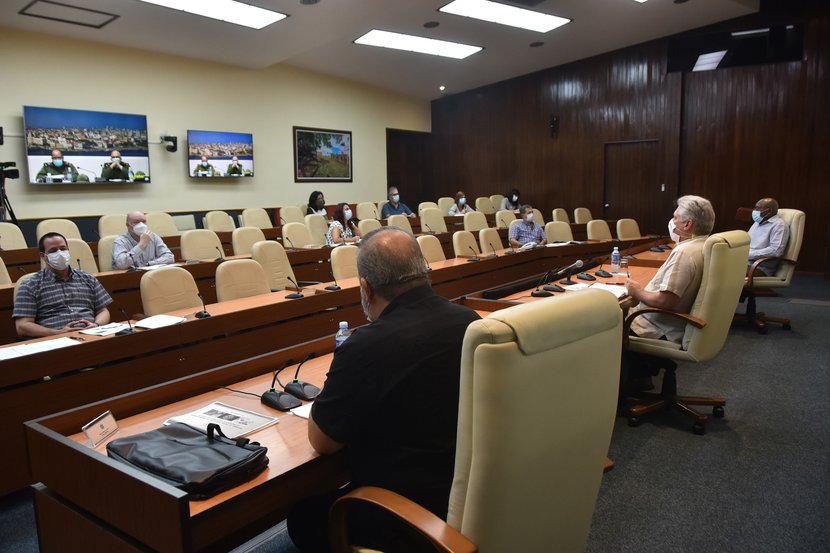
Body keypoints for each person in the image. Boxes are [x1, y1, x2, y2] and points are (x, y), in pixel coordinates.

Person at [287, 227, 480, 552]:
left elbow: (323, 442)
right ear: (425, 271)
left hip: (407, 519)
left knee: (303, 518)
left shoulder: (365, 346)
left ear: (365, 287)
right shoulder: (471, 323)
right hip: (467, 500)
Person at [626, 195, 715, 343]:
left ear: (687, 224)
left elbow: (665, 301)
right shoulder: (705, 245)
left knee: (606, 318)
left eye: (675, 218)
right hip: (674, 322)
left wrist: (638, 291)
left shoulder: (685, 252)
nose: (672, 222)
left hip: (656, 326)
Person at [13, 232, 112, 338]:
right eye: (53, 251)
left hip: (92, 336)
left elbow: (103, 311)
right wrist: (57, 333)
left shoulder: (88, 278)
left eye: (63, 248)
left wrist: (96, 325)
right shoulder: (30, 285)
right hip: (55, 341)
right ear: (43, 256)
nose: (60, 253)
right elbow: (22, 326)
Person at [747, 197, 789, 275]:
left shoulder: (779, 225)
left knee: (726, 271)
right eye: (755, 208)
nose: (754, 211)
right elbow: (747, 241)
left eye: (758, 208)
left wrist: (748, 255)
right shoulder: (757, 223)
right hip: (745, 263)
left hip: (759, 268)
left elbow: (776, 251)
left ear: (769, 211)